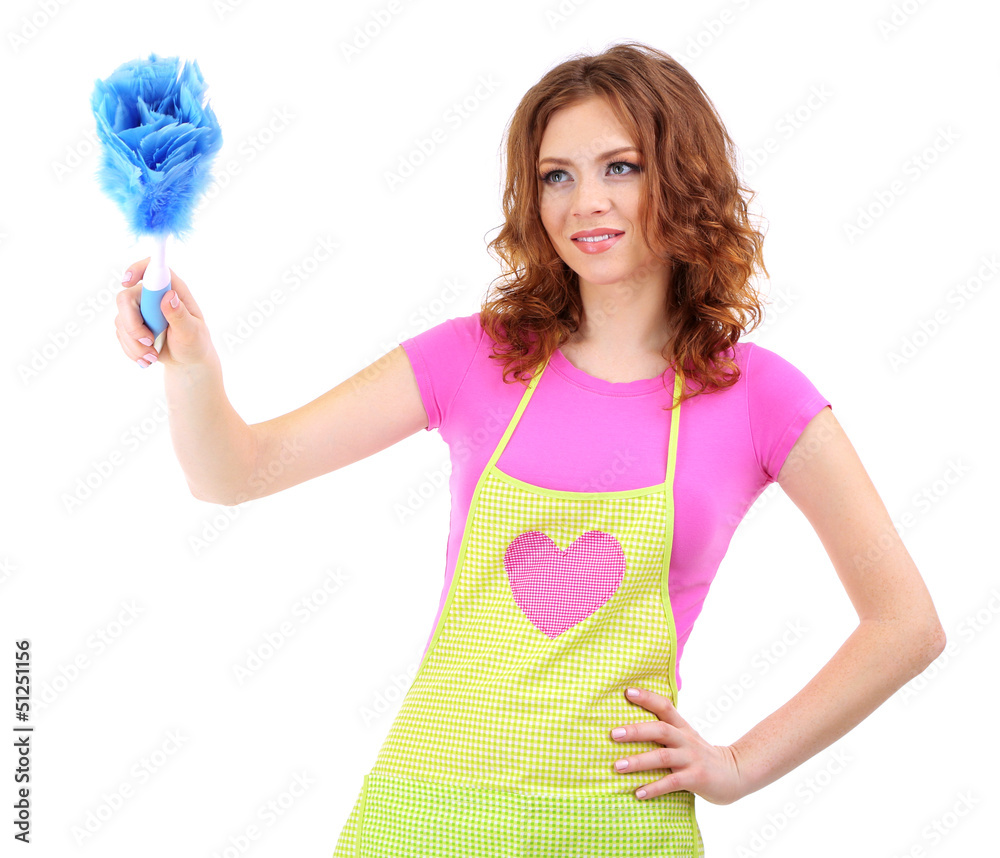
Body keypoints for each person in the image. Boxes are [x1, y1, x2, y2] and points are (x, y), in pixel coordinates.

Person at [114, 40, 946, 858]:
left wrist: (736, 766)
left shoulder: (760, 397)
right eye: (557, 175)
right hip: (427, 816)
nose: (585, 201)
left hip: (618, 829)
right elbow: (237, 473)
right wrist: (193, 369)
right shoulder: (473, 357)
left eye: (620, 166)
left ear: (683, 178)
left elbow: (905, 625)